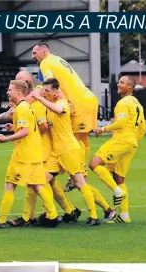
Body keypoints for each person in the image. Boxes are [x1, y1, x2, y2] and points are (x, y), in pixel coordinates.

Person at [0, 80, 59, 229]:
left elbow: (25, 132)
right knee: (37, 185)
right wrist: (14, 128)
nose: (7, 92)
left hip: (24, 155)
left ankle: (0, 221)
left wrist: (6, 138)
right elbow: (30, 129)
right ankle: (53, 216)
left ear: (19, 91)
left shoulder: (22, 108)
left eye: (10, 90)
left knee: (9, 184)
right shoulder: (25, 107)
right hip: (34, 153)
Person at [32, 78, 101, 226]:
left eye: (47, 91)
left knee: (79, 182)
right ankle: (51, 215)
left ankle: (94, 216)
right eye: (43, 90)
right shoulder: (49, 106)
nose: (44, 93)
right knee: (40, 180)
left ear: (56, 91)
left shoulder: (62, 104)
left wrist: (38, 97)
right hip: (56, 153)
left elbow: (58, 110)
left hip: (69, 149)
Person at [32, 43, 98, 190]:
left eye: (35, 52)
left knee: (75, 139)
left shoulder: (45, 63)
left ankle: (78, 175)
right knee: (83, 139)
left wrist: (66, 102)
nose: (33, 55)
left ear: (44, 52)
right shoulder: (57, 59)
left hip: (78, 102)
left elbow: (51, 84)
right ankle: (80, 175)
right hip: (88, 98)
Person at [89, 76, 143, 212]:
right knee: (119, 177)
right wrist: (135, 141)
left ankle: (117, 191)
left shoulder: (123, 103)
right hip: (131, 143)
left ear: (130, 87)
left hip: (121, 141)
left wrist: (102, 129)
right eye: (119, 82)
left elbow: (121, 123)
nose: (118, 84)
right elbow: (143, 127)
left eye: (122, 83)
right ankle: (124, 215)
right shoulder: (137, 104)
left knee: (94, 164)